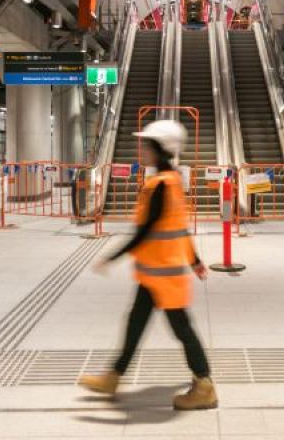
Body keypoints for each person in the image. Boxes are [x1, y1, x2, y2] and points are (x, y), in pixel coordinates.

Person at [78, 120, 217, 410]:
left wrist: (112, 257)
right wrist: (194, 260)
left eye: (147, 144)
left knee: (181, 329)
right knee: (135, 324)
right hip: (157, 273)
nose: (141, 148)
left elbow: (145, 231)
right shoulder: (172, 181)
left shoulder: (163, 185)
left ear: (161, 149)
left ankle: (204, 386)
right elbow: (178, 227)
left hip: (164, 275)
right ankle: (113, 377)